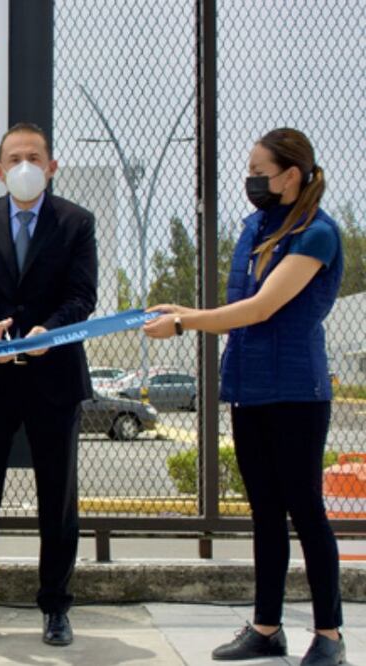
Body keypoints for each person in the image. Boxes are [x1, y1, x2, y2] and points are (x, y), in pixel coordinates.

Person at [143, 128, 345, 666]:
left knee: (306, 511)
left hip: (297, 392)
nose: (250, 180)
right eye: (249, 170)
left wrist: (184, 323)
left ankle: (329, 635)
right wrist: (183, 311)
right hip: (250, 387)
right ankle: (266, 628)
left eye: (260, 171)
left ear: (291, 175)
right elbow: (240, 310)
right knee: (265, 513)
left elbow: (261, 308)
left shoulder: (317, 234)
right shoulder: (256, 227)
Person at [0, 123, 97, 645]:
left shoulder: (76, 222)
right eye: (14, 159)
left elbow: (83, 295)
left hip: (54, 379)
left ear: (52, 167)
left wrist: (49, 332)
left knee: (57, 498)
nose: (24, 166)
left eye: (34, 157)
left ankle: (56, 607)